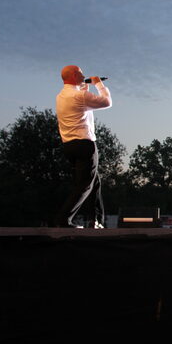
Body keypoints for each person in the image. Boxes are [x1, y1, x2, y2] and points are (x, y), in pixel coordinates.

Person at [53, 65, 111, 228]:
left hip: (70, 145)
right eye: (80, 72)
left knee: (94, 181)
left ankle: (96, 220)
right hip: (85, 144)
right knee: (85, 184)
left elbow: (81, 102)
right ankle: (63, 220)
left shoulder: (61, 96)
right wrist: (99, 84)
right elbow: (106, 102)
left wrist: (84, 86)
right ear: (73, 75)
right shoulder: (79, 96)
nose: (84, 74)